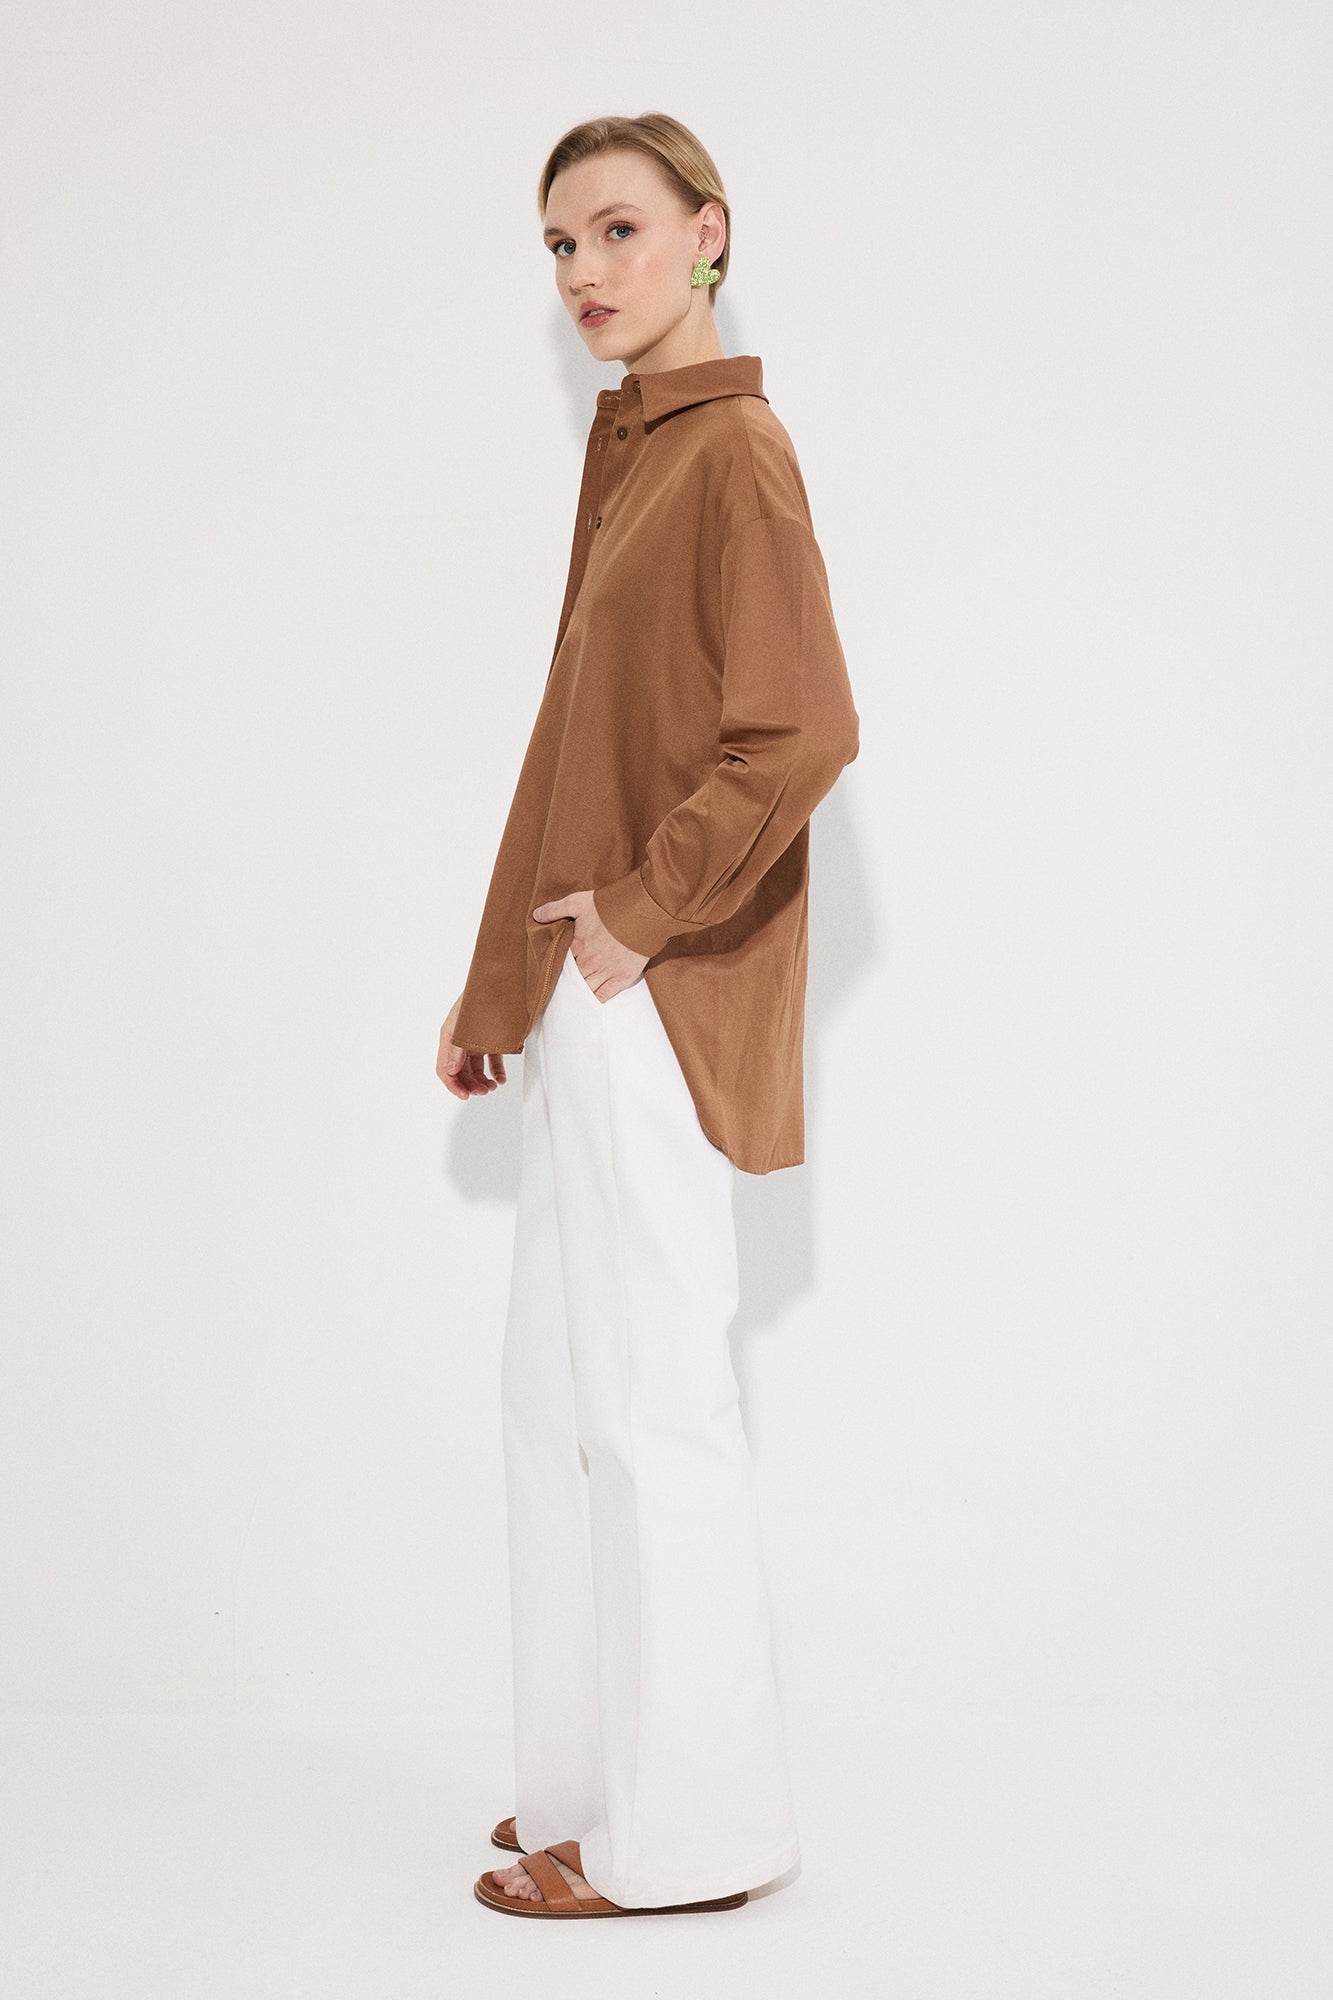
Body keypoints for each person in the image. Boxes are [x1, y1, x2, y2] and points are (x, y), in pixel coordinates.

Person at [436, 111, 860, 1921]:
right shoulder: (631, 454)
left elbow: (803, 727)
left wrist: (632, 915)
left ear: (708, 233)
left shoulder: (732, 452)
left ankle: (693, 1841)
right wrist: (496, 983)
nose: (584, 271)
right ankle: (589, 1788)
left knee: (651, 1397)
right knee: (558, 1395)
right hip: (585, 988)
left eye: (617, 230)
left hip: (655, 990)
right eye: (559, 244)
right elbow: (570, 750)